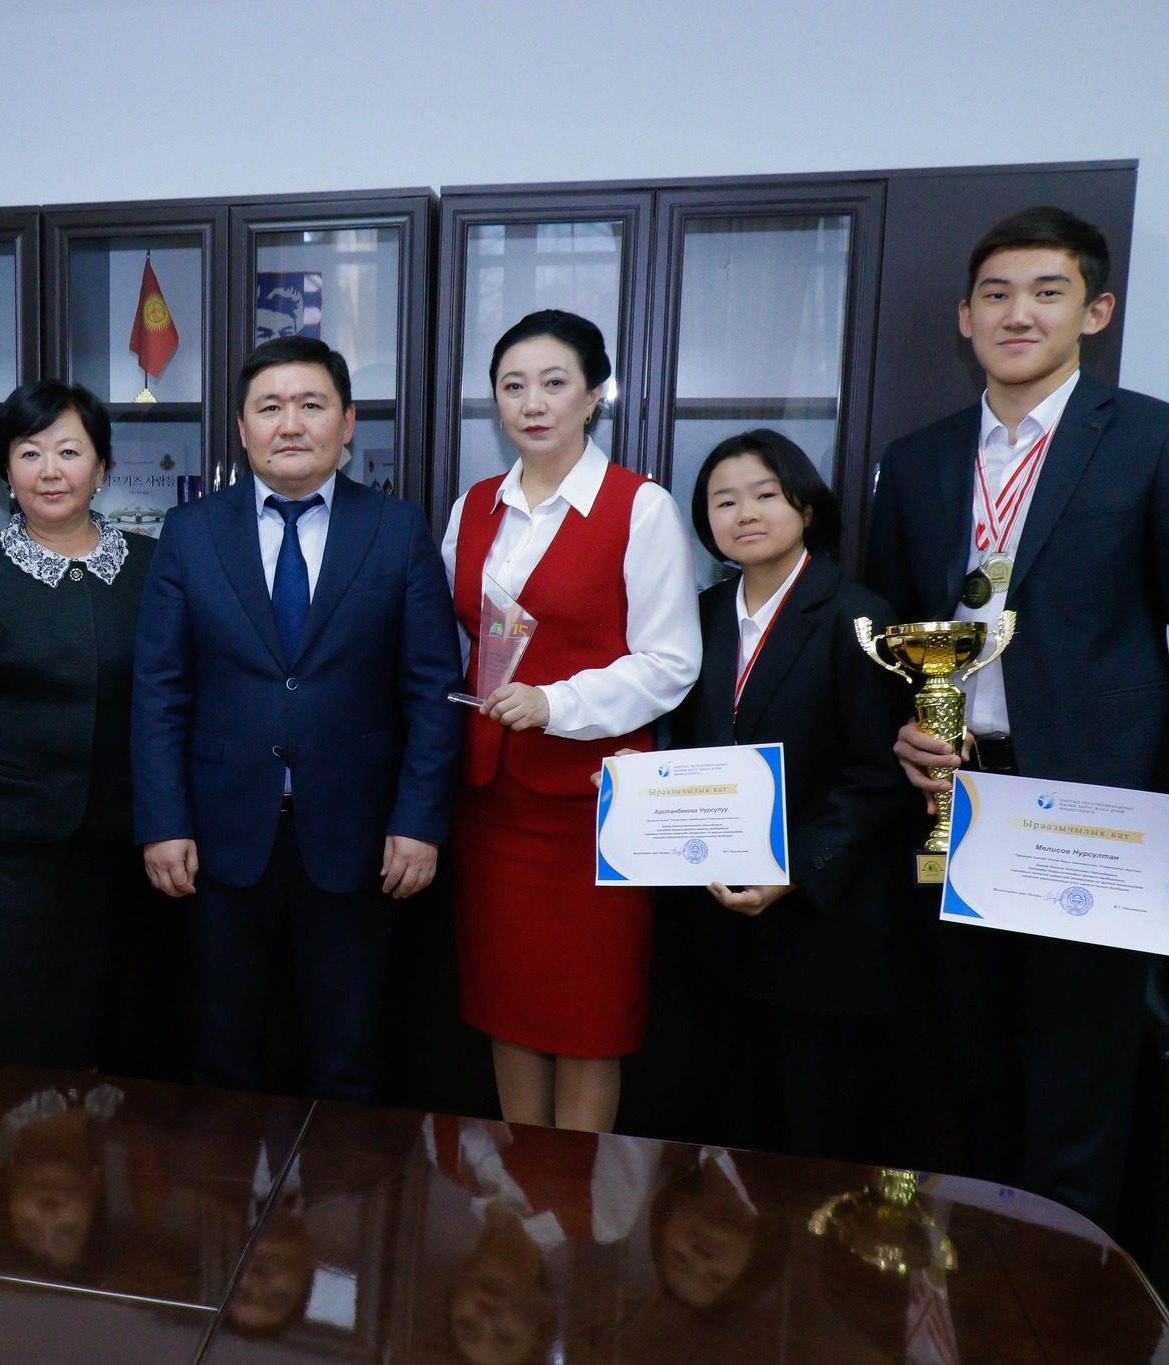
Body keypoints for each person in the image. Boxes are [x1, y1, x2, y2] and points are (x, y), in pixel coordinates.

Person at [865, 206, 1169, 1227]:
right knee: (972, 1067)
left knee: (1078, 1084)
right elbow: (888, 626)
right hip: (954, 802)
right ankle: (993, 1276)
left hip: (1092, 809)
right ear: (964, 316)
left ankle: (1076, 1286)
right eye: (994, 294)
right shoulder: (918, 459)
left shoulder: (1149, 439)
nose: (1017, 313)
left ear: (1096, 310)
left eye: (1047, 292)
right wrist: (904, 728)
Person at [132, 334, 461, 1103]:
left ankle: (340, 1185)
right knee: (224, 1051)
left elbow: (433, 690)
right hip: (219, 839)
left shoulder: (397, 529)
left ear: (345, 423)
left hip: (359, 837)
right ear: (241, 427)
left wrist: (419, 820)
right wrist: (162, 821)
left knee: (349, 1056)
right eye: (270, 407)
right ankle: (226, 1184)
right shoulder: (189, 532)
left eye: (311, 405)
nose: (290, 424)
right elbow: (159, 689)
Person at [442, 310, 699, 1132]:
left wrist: (558, 703)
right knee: (508, 1007)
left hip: (591, 806)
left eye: (554, 383)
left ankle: (577, 1198)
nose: (532, 403)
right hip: (491, 799)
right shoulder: (473, 508)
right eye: (512, 386)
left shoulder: (639, 507)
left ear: (595, 396)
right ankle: (524, 1191)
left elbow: (670, 662)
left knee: (590, 1019)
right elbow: (457, 638)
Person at [671, 431, 912, 1160]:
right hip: (718, 930)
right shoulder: (700, 616)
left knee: (811, 1145)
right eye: (723, 501)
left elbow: (877, 774)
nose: (744, 513)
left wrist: (795, 870)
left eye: (765, 494)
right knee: (724, 1143)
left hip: (821, 929)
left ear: (806, 507)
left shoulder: (860, 618)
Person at [0, 379, 154, 1069]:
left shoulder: (148, 566)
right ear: (5, 471)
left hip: (116, 850)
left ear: (102, 467)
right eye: (29, 452)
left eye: (69, 452)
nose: (50, 470)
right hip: (3, 857)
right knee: (5, 1032)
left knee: (103, 1027)